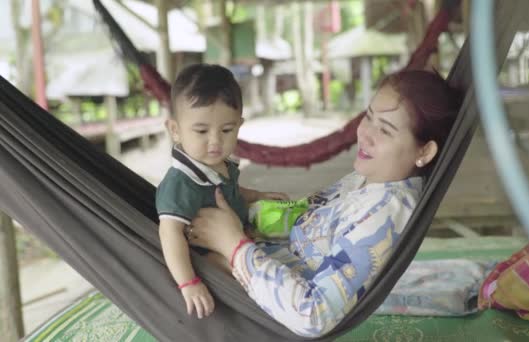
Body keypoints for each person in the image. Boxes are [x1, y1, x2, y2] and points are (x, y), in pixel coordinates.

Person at [186, 69, 462, 336]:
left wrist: (234, 247)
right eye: (369, 116)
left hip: (272, 308)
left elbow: (313, 315)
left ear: (424, 150)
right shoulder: (369, 180)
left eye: (385, 130)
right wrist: (250, 206)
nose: (364, 134)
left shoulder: (386, 213)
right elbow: (312, 227)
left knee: (182, 270)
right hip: (265, 255)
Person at [156, 63, 287, 320]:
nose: (215, 141)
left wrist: (257, 196)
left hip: (237, 238)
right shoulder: (181, 182)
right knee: (257, 280)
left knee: (288, 227)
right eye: (202, 131)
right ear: (175, 130)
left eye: (226, 130)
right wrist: (189, 283)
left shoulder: (219, 164)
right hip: (209, 256)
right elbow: (169, 233)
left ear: (239, 125)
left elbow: (231, 191)